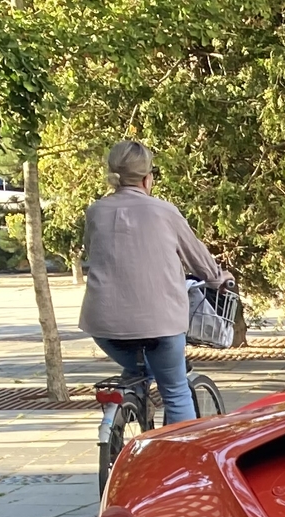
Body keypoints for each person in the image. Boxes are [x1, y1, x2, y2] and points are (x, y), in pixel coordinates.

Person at [78, 140, 229, 424]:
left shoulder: (95, 211)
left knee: (138, 370)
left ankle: (127, 418)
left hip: (104, 326)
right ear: (148, 178)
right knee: (174, 389)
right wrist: (220, 278)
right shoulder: (164, 211)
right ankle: (174, 463)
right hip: (160, 324)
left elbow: (91, 250)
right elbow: (199, 260)